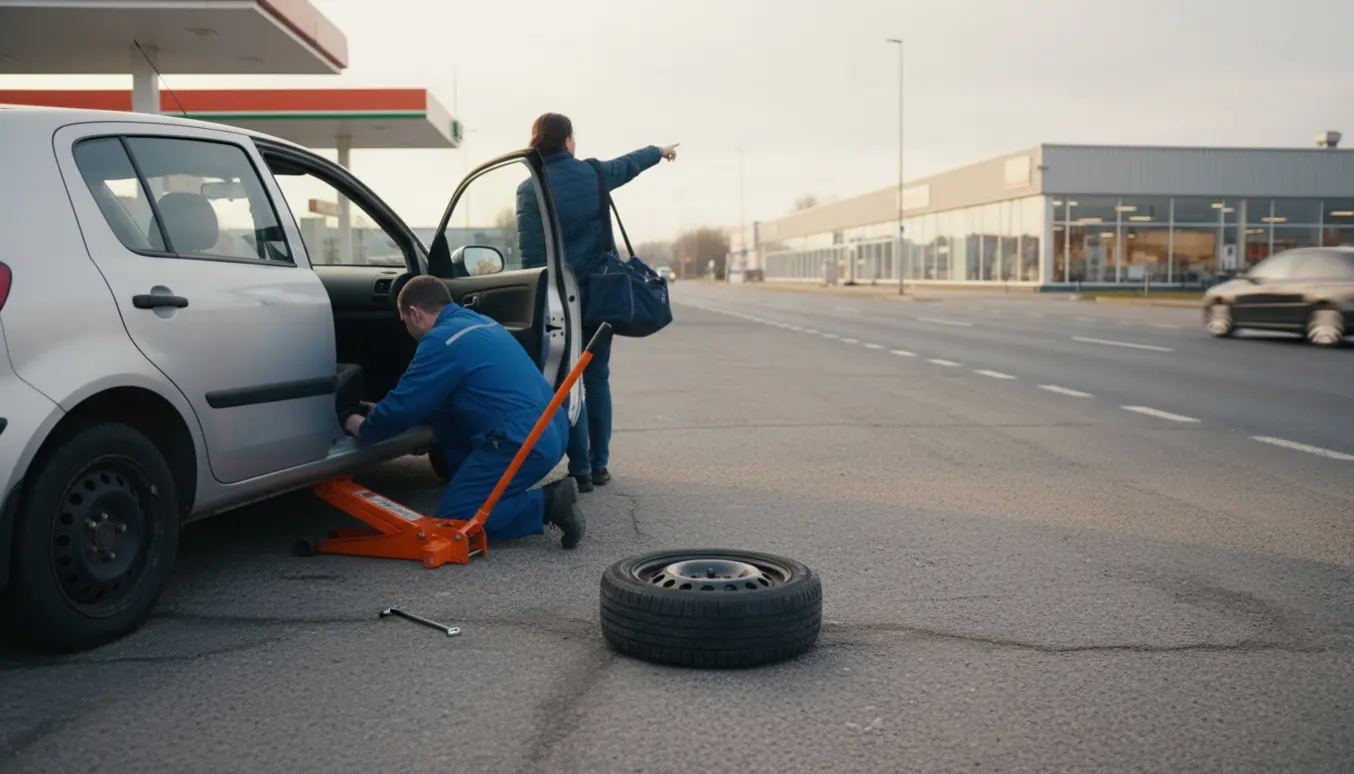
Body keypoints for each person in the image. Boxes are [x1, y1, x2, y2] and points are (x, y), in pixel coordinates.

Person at [343, 275, 585, 549]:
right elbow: (442, 399)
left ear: (415, 313)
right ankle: (480, 489)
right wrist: (385, 411)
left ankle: (549, 503)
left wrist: (364, 426)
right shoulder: (481, 322)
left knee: (456, 521)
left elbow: (406, 403)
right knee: (453, 429)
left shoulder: (440, 341)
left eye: (404, 321)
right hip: (552, 431)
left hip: (521, 442)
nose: (406, 327)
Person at [515, 112, 677, 493]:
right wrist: (660, 150)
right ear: (569, 141)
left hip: (557, 299)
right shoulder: (593, 174)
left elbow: (530, 256)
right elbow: (630, 164)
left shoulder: (528, 187)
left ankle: (580, 469)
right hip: (600, 297)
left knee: (564, 382)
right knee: (597, 378)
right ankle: (600, 464)